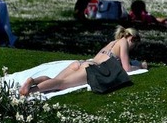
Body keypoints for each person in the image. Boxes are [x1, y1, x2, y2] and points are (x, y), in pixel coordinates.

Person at [19, 26, 147, 96]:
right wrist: (141, 66)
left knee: (55, 79)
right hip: (90, 67)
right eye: (135, 45)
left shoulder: (112, 43)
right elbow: (127, 68)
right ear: (133, 39)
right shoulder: (123, 42)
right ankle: (31, 91)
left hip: (80, 63)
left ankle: (33, 81)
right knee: (61, 84)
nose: (133, 48)